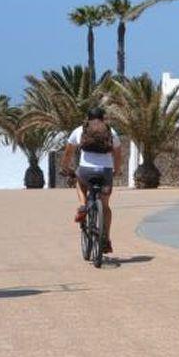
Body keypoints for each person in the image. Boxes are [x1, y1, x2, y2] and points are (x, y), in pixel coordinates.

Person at [63, 102, 126, 256]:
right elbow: (118, 155)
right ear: (103, 118)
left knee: (79, 181)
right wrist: (117, 170)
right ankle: (106, 239)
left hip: (86, 171)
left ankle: (83, 205)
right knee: (105, 206)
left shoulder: (80, 130)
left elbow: (68, 152)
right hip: (105, 172)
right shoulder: (111, 131)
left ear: (87, 118)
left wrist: (65, 167)